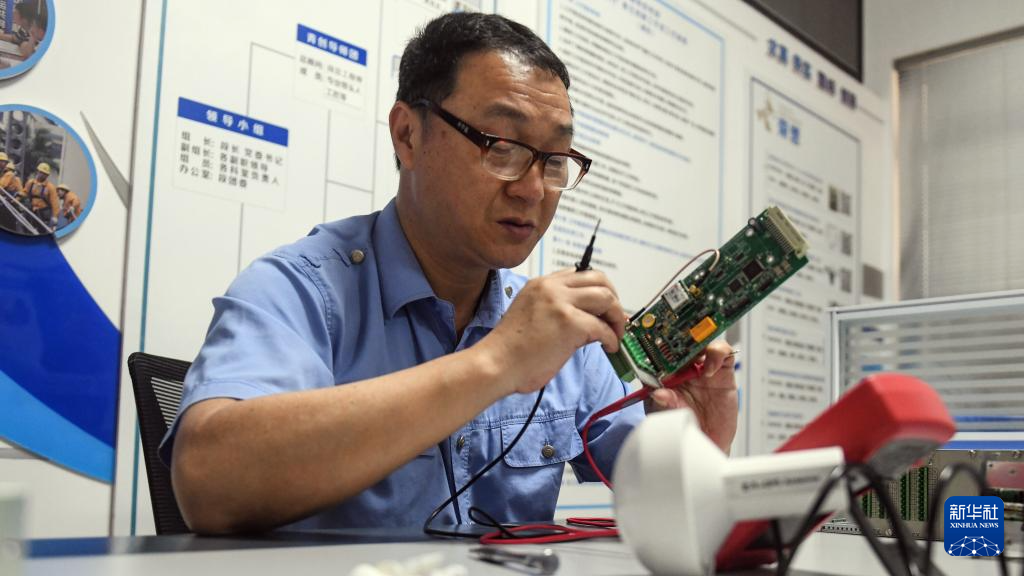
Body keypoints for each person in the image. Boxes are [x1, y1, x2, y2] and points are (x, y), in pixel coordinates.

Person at [165, 12, 737, 535]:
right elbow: (209, 484)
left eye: (555, 160)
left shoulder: (556, 335)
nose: (532, 190)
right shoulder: (301, 288)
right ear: (408, 135)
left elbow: (665, 505)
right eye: (503, 146)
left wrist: (701, 443)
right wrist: (497, 362)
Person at [20, 162, 58, 231]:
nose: (42, 175)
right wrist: (17, 197)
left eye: (44, 174)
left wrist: (55, 217)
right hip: (31, 210)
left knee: (41, 231)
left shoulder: (50, 187)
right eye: (41, 172)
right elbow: (24, 192)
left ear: (47, 175)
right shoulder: (31, 183)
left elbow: (55, 203)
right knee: (26, 228)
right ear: (37, 172)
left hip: (43, 213)